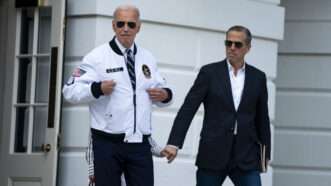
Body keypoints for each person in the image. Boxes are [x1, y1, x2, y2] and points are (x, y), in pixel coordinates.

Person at [63, 4, 172, 186]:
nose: (125, 29)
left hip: (139, 145)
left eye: (131, 24)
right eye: (121, 24)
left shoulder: (148, 58)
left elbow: (162, 91)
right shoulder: (96, 57)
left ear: (139, 27)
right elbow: (69, 91)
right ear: (113, 26)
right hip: (108, 144)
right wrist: (97, 89)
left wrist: (165, 95)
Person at [162, 25, 271, 186]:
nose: (232, 48)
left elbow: (262, 118)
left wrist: (265, 153)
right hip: (212, 153)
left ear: (248, 48)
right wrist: (174, 143)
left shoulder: (258, 77)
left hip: (246, 156)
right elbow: (188, 109)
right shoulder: (209, 73)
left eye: (238, 44)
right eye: (228, 43)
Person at [86, 132, 165, 186]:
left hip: (131, 165)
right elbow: (93, 143)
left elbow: (147, 140)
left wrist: (162, 151)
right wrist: (92, 169)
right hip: (108, 161)